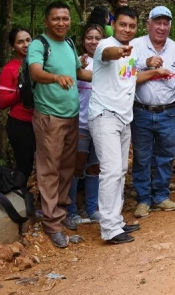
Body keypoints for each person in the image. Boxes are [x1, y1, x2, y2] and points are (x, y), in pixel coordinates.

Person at [90, 6, 170, 245]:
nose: (127, 29)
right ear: (113, 24)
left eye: (131, 26)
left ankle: (116, 220)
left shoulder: (132, 51)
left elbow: (132, 78)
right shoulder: (105, 45)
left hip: (124, 118)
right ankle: (109, 229)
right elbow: (110, 55)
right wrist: (120, 51)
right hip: (105, 115)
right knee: (111, 171)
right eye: (123, 24)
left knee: (120, 171)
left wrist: (157, 72)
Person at [28, 2, 93, 248]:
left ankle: (61, 212)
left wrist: (110, 76)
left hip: (72, 116)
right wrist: (55, 77)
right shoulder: (39, 44)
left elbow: (79, 73)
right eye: (56, 19)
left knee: (67, 167)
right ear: (46, 22)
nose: (61, 23)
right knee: (49, 168)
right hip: (49, 117)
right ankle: (51, 222)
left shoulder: (69, 43)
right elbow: (35, 72)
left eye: (65, 18)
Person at [130, 6, 175, 219]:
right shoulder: (135, 46)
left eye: (166, 23)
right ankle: (143, 199)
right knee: (142, 156)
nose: (162, 27)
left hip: (168, 111)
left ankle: (161, 196)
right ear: (148, 24)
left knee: (165, 156)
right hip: (141, 111)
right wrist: (146, 65)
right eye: (158, 22)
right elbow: (125, 73)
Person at [66, 25, 103, 225]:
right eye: (89, 38)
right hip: (79, 123)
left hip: (100, 122)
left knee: (94, 167)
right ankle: (71, 210)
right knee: (76, 167)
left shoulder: (108, 62)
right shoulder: (77, 63)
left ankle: (92, 208)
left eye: (98, 38)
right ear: (83, 40)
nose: (93, 42)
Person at [0, 27, 35, 178]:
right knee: (25, 169)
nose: (25, 45)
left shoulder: (40, 64)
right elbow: (2, 102)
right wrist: (20, 90)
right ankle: (24, 200)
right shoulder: (9, 69)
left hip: (43, 121)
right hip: (21, 124)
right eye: (20, 42)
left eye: (28, 40)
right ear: (12, 46)